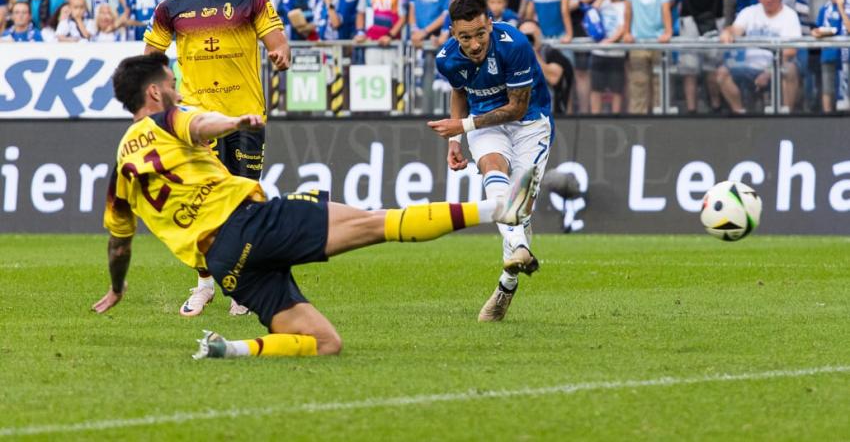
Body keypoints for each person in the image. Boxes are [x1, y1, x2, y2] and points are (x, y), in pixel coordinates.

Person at [92, 52, 535, 358]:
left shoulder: (120, 168)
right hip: (251, 223)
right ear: (154, 94)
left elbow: (119, 243)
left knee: (325, 343)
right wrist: (235, 122)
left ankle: (229, 348)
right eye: (172, 85)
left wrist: (116, 288)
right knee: (377, 222)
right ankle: (497, 209)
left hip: (226, 263)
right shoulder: (168, 117)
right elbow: (202, 122)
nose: (177, 91)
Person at [143, 0, 292, 318]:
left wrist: (281, 55)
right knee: (201, 204)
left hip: (245, 119)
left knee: (242, 206)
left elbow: (278, 42)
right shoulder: (171, 7)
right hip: (195, 119)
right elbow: (151, 59)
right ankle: (205, 284)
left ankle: (241, 288)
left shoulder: (252, 0)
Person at [428, 0, 551, 322]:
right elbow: (458, 90)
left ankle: (506, 285)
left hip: (530, 124)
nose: (474, 44)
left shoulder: (515, 44)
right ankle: (519, 247)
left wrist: (463, 125)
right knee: (492, 169)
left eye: (480, 34)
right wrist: (455, 139)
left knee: (520, 206)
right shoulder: (446, 58)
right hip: (485, 124)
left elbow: (517, 107)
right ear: (453, 33)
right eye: (464, 37)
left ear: (490, 24)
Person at [718, 0, 801, 113]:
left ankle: (787, 114)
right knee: (722, 73)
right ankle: (740, 113)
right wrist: (727, 32)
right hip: (748, 67)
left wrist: (769, 72)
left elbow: (790, 51)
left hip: (777, 66)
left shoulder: (790, 16)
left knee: (790, 69)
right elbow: (735, 29)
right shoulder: (749, 12)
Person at [621, 0, 674, 114]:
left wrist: (668, 31)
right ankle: (638, 117)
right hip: (638, 40)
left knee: (660, 83)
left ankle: (661, 117)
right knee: (638, 82)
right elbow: (628, 9)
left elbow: (665, 8)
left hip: (658, 40)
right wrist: (627, 32)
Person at [589, 0, 629, 114]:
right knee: (596, 88)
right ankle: (594, 115)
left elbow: (623, 27)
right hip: (598, 52)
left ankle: (616, 115)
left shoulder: (625, 5)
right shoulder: (601, 3)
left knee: (617, 88)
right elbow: (591, 14)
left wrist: (610, 41)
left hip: (616, 53)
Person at [518, 18, 574, 115]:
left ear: (539, 34)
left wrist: (532, 53)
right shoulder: (512, 56)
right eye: (524, 36)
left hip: (550, 115)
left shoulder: (551, 53)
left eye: (531, 35)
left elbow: (554, 78)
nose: (528, 39)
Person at [811, 0, 850, 111]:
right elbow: (819, 28)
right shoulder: (824, 10)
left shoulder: (848, 8)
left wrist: (841, 9)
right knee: (827, 89)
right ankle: (827, 116)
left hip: (847, 56)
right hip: (829, 54)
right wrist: (816, 32)